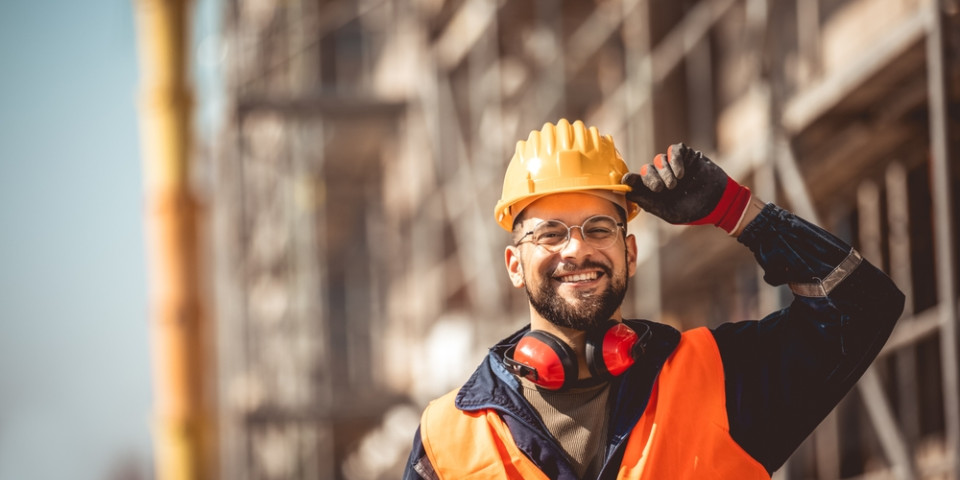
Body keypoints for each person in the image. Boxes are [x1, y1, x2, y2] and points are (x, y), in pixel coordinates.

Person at [402, 119, 904, 480]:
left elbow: (861, 308)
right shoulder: (449, 444)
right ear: (514, 265)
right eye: (550, 234)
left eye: (598, 228)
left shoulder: (717, 381)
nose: (576, 248)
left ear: (630, 251)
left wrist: (736, 210)